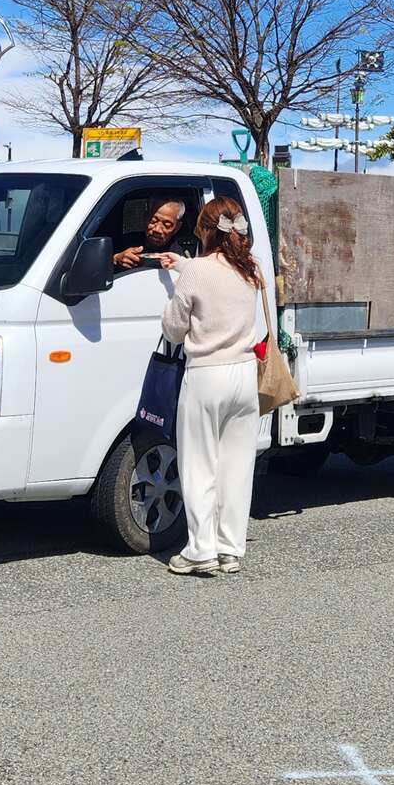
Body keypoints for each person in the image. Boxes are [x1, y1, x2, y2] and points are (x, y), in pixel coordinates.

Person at [156, 196, 264, 577]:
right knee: (237, 467)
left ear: (205, 230)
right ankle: (230, 549)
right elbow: (218, 275)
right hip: (245, 376)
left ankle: (200, 550)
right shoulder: (251, 269)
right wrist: (183, 264)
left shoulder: (197, 272)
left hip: (207, 375)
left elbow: (173, 328)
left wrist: (180, 276)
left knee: (199, 465)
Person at [113, 197, 199, 271]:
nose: (157, 229)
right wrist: (116, 259)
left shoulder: (181, 255)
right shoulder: (125, 241)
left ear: (177, 228)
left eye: (167, 225)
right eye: (153, 221)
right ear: (145, 218)